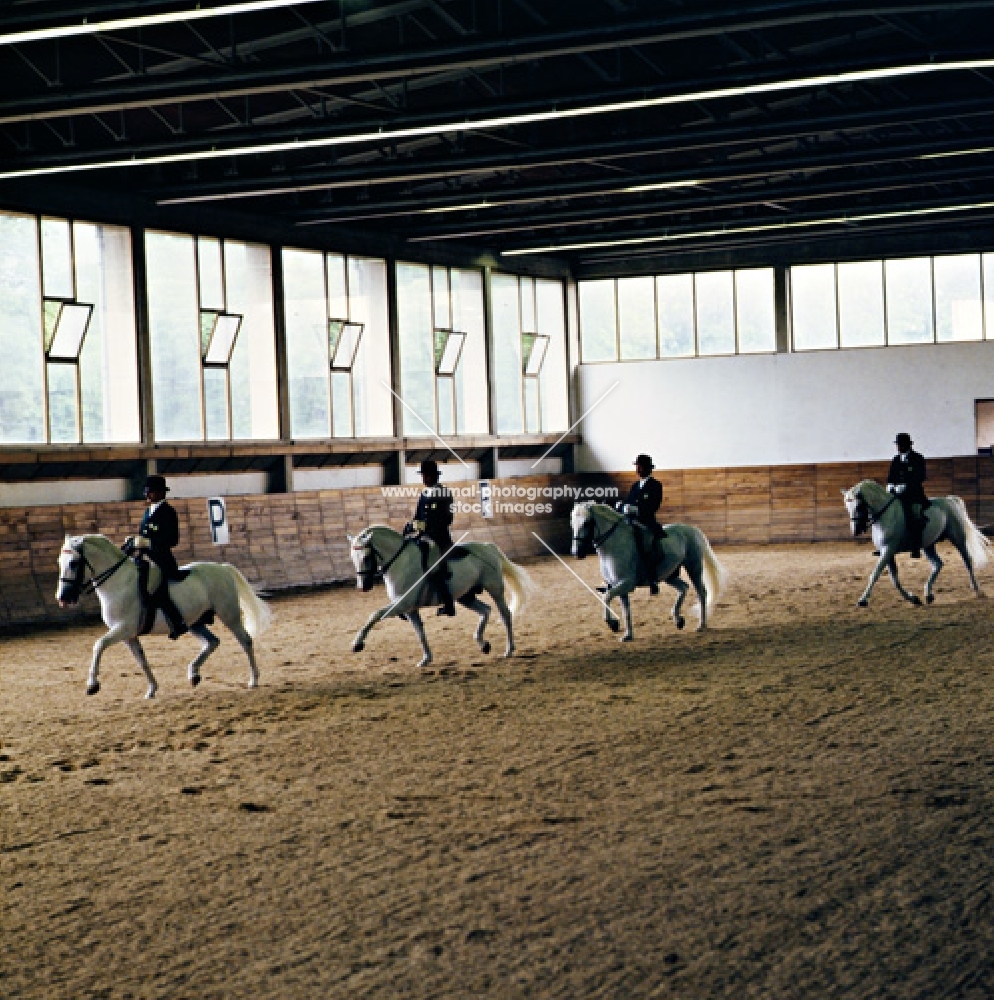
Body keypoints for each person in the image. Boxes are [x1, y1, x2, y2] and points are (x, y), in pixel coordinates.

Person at [125, 474, 188, 638]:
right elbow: (143, 535)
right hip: (144, 558)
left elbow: (173, 540)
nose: (147, 495)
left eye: (150, 492)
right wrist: (133, 543)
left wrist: (149, 543)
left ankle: (177, 621)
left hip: (162, 560)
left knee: (158, 589)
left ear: (160, 493)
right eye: (146, 491)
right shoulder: (147, 511)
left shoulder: (168, 512)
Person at [411, 459, 456, 616]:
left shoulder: (445, 494)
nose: (424, 479)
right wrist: (412, 526)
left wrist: (428, 527)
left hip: (440, 539)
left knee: (434, 567)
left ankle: (449, 604)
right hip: (423, 537)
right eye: (423, 475)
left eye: (426, 476)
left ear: (433, 476)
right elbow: (417, 517)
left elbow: (448, 519)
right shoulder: (423, 494)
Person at [618, 453, 665, 594]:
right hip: (630, 523)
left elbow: (653, 506)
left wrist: (636, 509)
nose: (638, 469)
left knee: (646, 546)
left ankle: (652, 579)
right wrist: (622, 506)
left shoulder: (655, 486)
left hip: (646, 524)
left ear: (648, 468)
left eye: (640, 467)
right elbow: (628, 501)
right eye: (637, 466)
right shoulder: (635, 486)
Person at [886, 432, 928, 559]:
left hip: (914, 494)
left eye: (900, 444)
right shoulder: (896, 459)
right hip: (897, 495)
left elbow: (922, 476)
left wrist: (907, 485)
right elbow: (891, 476)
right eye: (897, 445)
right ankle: (885, 544)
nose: (898, 447)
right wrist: (890, 485)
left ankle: (915, 546)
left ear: (907, 445)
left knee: (913, 515)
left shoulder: (918, 458)